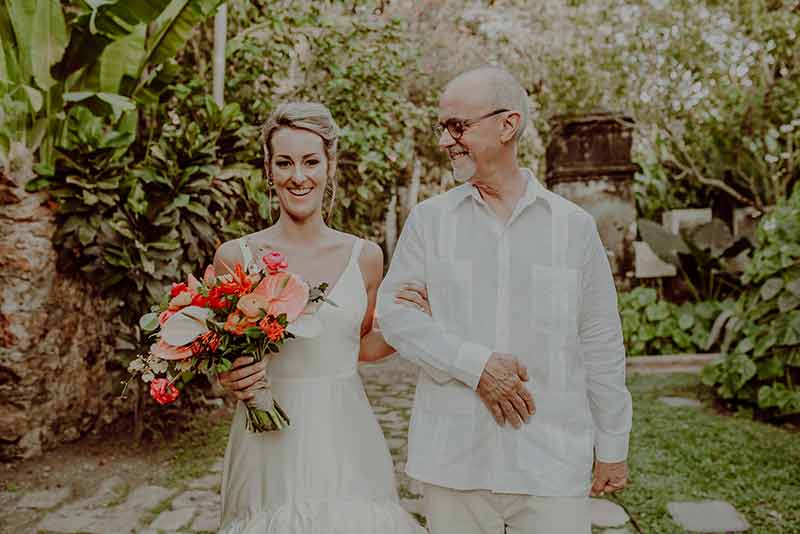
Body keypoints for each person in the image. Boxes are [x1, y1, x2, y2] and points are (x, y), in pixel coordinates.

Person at [375, 66, 633, 534]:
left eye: (458, 126)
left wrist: (612, 443)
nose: (445, 141)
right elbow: (394, 315)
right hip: (453, 463)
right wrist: (476, 366)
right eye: (443, 127)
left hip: (550, 462)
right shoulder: (429, 222)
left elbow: (599, 338)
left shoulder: (572, 227)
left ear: (507, 124)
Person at [214, 102, 428, 533]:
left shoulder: (364, 257)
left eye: (311, 162)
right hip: (267, 440)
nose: (299, 176)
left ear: (330, 167)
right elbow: (225, 357)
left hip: (345, 432)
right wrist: (228, 376)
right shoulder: (236, 257)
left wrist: (411, 323)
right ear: (269, 169)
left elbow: (359, 346)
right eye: (285, 162)